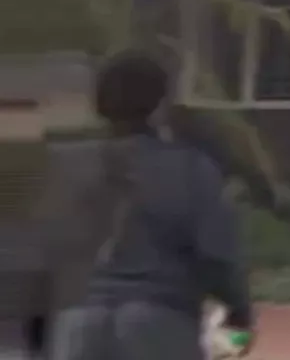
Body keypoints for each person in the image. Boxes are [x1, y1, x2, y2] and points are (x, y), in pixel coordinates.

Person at [36, 49, 254, 360]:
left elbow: (41, 251)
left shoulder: (61, 167)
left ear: (99, 103)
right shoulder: (191, 169)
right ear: (159, 104)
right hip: (158, 322)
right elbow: (218, 256)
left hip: (76, 324)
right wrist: (239, 314)